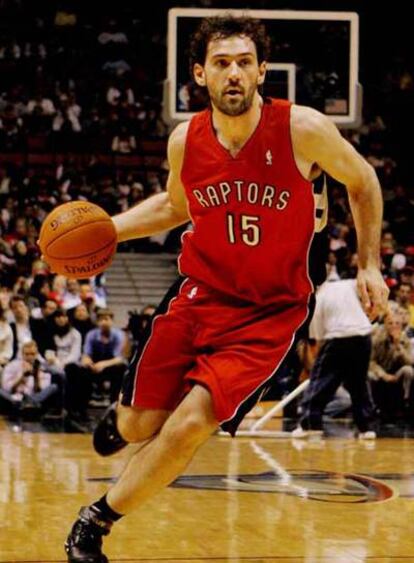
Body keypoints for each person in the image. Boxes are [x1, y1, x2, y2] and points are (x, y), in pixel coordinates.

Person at [65, 15, 389, 562]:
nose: (233, 72)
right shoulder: (184, 141)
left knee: (192, 421)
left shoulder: (301, 128)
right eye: (221, 63)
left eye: (244, 62)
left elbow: (363, 180)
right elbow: (175, 206)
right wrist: (109, 228)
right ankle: (122, 419)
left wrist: (370, 264)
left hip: (270, 311)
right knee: (141, 423)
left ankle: (94, 522)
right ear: (200, 74)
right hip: (200, 295)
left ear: (263, 71)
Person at [291, 277, 376, 439]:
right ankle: (366, 428)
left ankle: (310, 424)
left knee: (321, 381)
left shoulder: (318, 298)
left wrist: (317, 367)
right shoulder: (348, 284)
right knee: (358, 383)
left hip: (338, 338)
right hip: (364, 336)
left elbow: (317, 337)